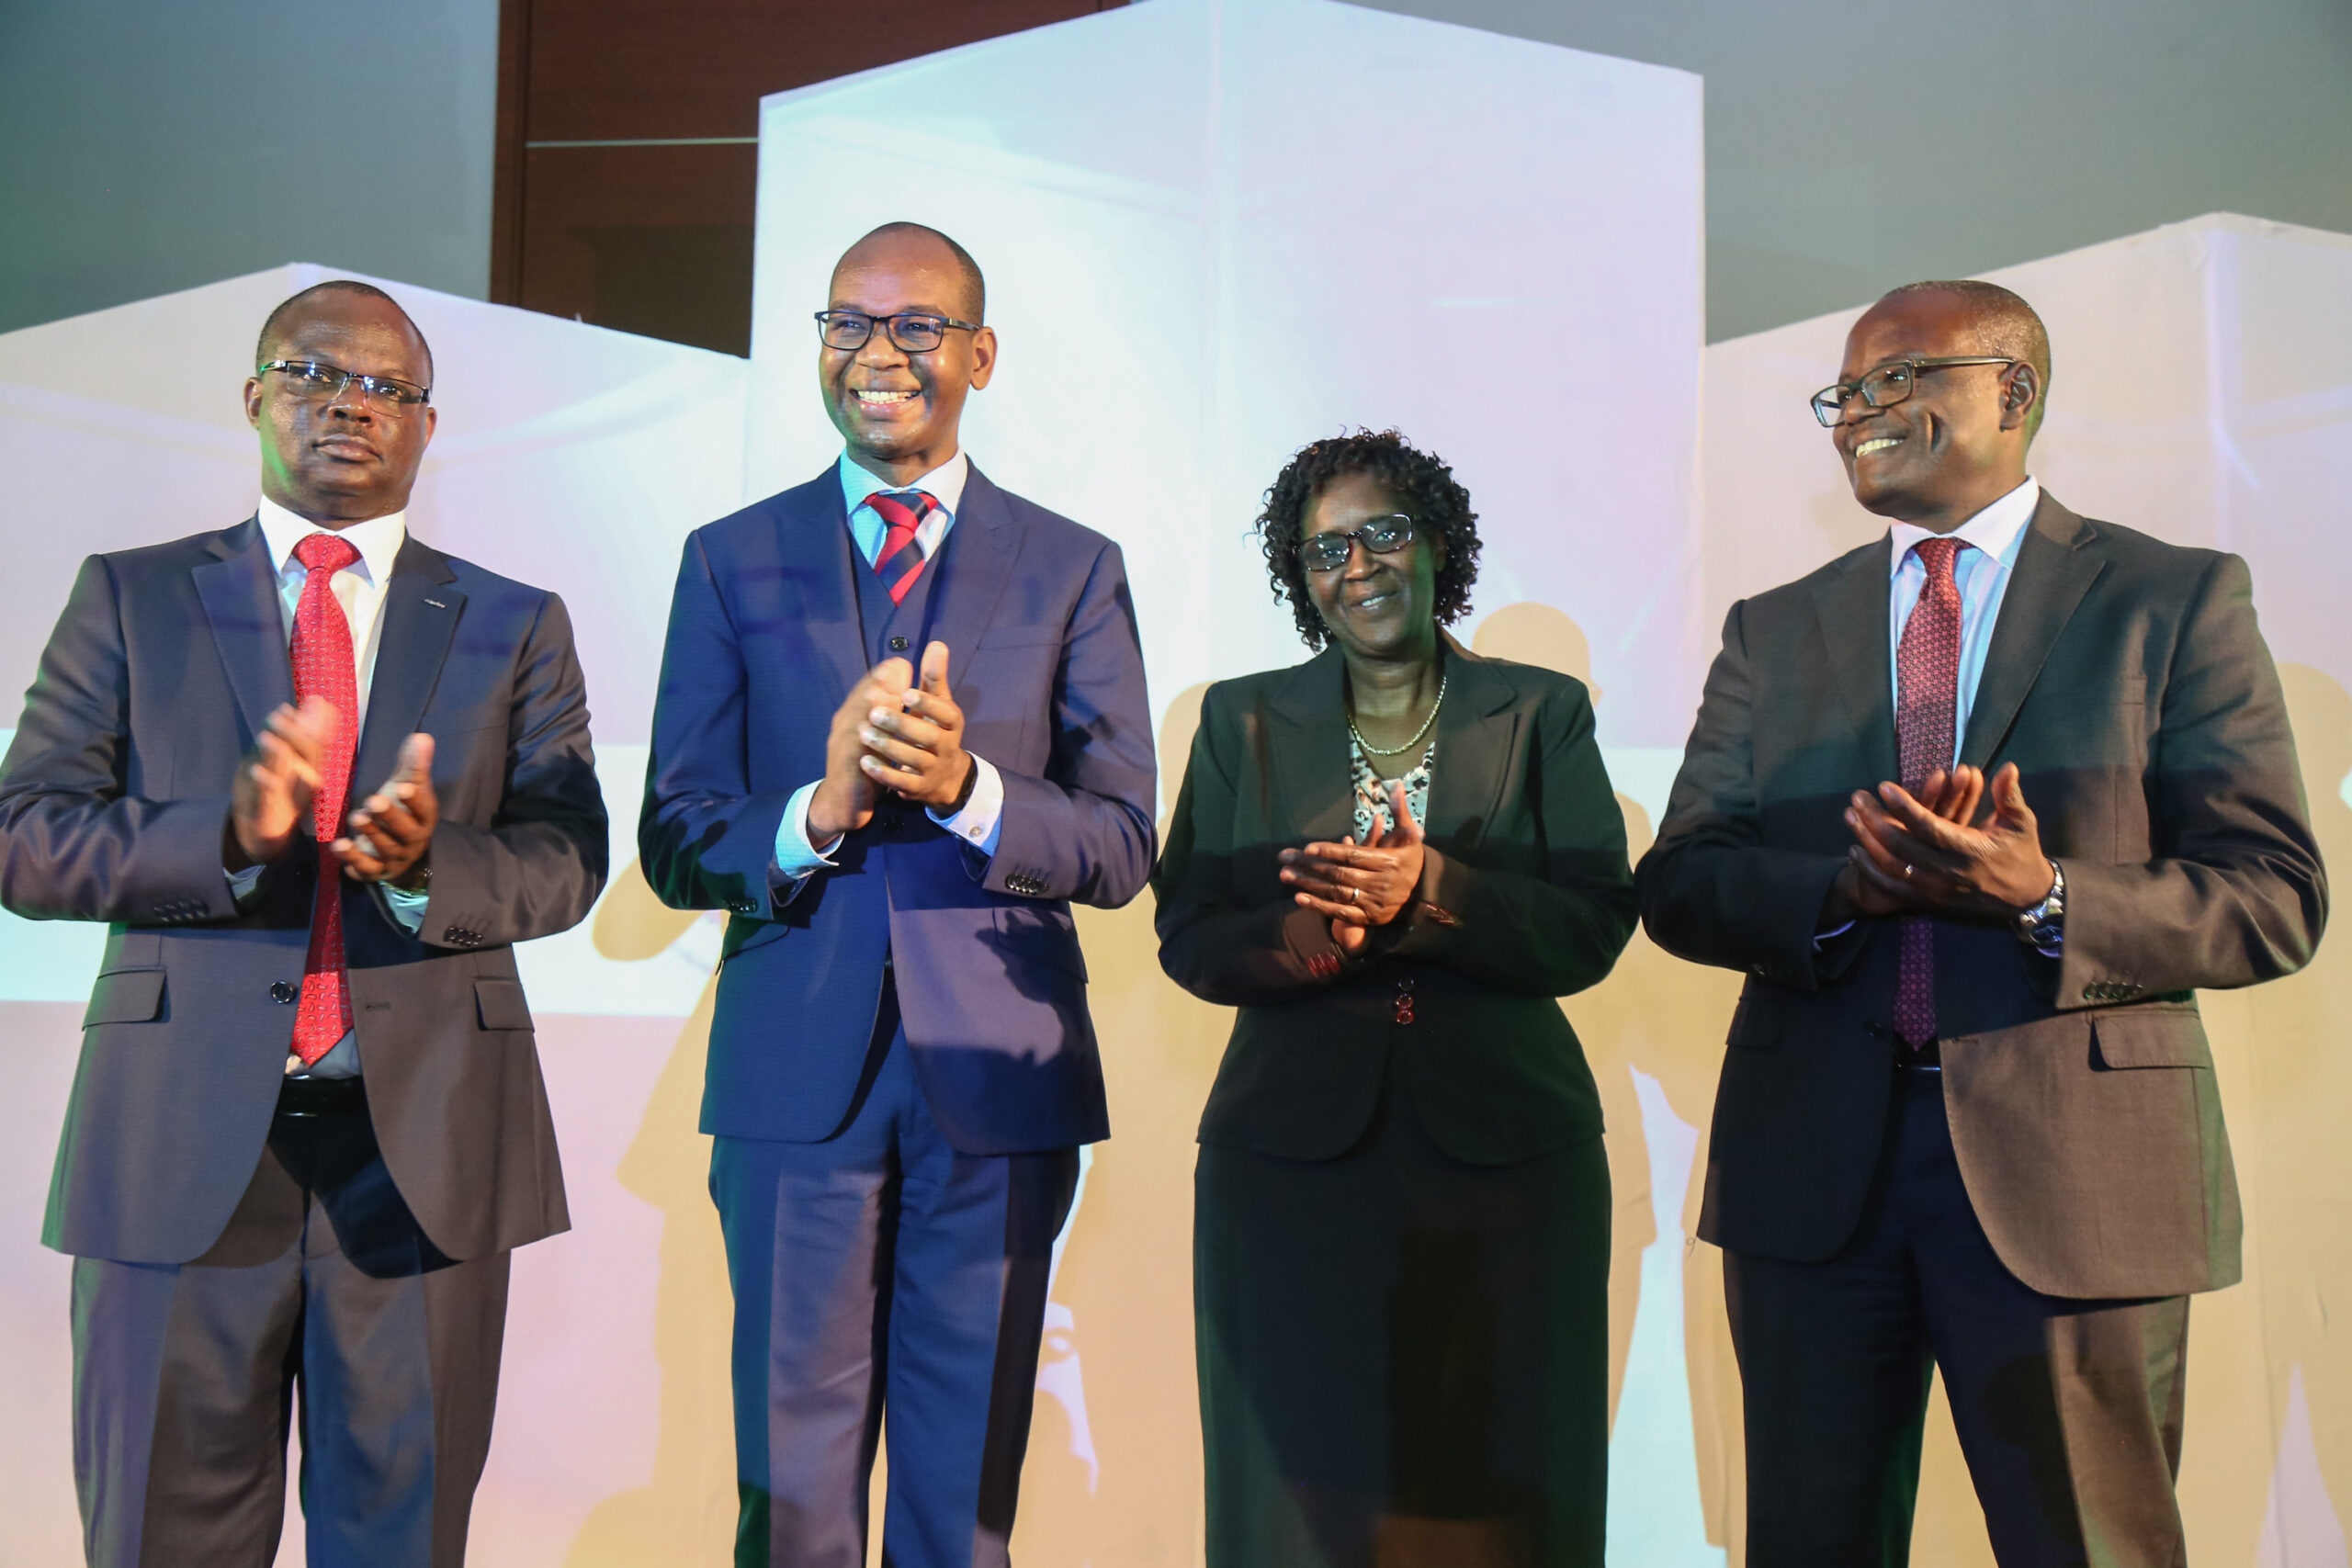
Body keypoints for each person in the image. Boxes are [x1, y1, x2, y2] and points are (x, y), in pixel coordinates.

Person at [1636, 279, 2326, 1565]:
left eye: (1897, 380)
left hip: (2073, 1178)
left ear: (2012, 389)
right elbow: (1681, 879)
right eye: (1842, 395)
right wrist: (1842, 888)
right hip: (1813, 1176)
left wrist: (2048, 893)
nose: (1858, 415)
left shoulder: (2169, 600)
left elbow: (2273, 896)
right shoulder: (1775, 629)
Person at [0, 280, 608, 1566]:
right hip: (178, 1155)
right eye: (315, 373)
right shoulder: (133, 596)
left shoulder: (512, 621)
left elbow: (570, 856)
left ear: (429, 426)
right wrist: (221, 835)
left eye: (387, 387)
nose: (350, 404)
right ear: (254, 395)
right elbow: (27, 833)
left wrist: (423, 864)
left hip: (426, 1158)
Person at [639, 221, 1156, 1568]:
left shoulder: (1073, 565)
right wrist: (814, 813)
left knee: (963, 1492)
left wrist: (972, 786)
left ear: (979, 354)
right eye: (848, 324)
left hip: (998, 1074)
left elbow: (1120, 837)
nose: (878, 353)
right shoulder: (728, 557)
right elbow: (676, 836)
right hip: (792, 1069)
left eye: (916, 325)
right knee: (793, 1491)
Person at [1155, 430, 1636, 1566]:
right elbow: (1188, 935)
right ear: (1298, 573)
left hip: (1509, 1163)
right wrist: (1319, 937)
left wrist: (1438, 892)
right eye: (1324, 549)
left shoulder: (1539, 712)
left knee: (1504, 1490)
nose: (1356, 567)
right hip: (1291, 1165)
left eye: (1382, 534)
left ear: (1436, 548)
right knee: (1297, 1499)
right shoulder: (1241, 720)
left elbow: (1593, 924)